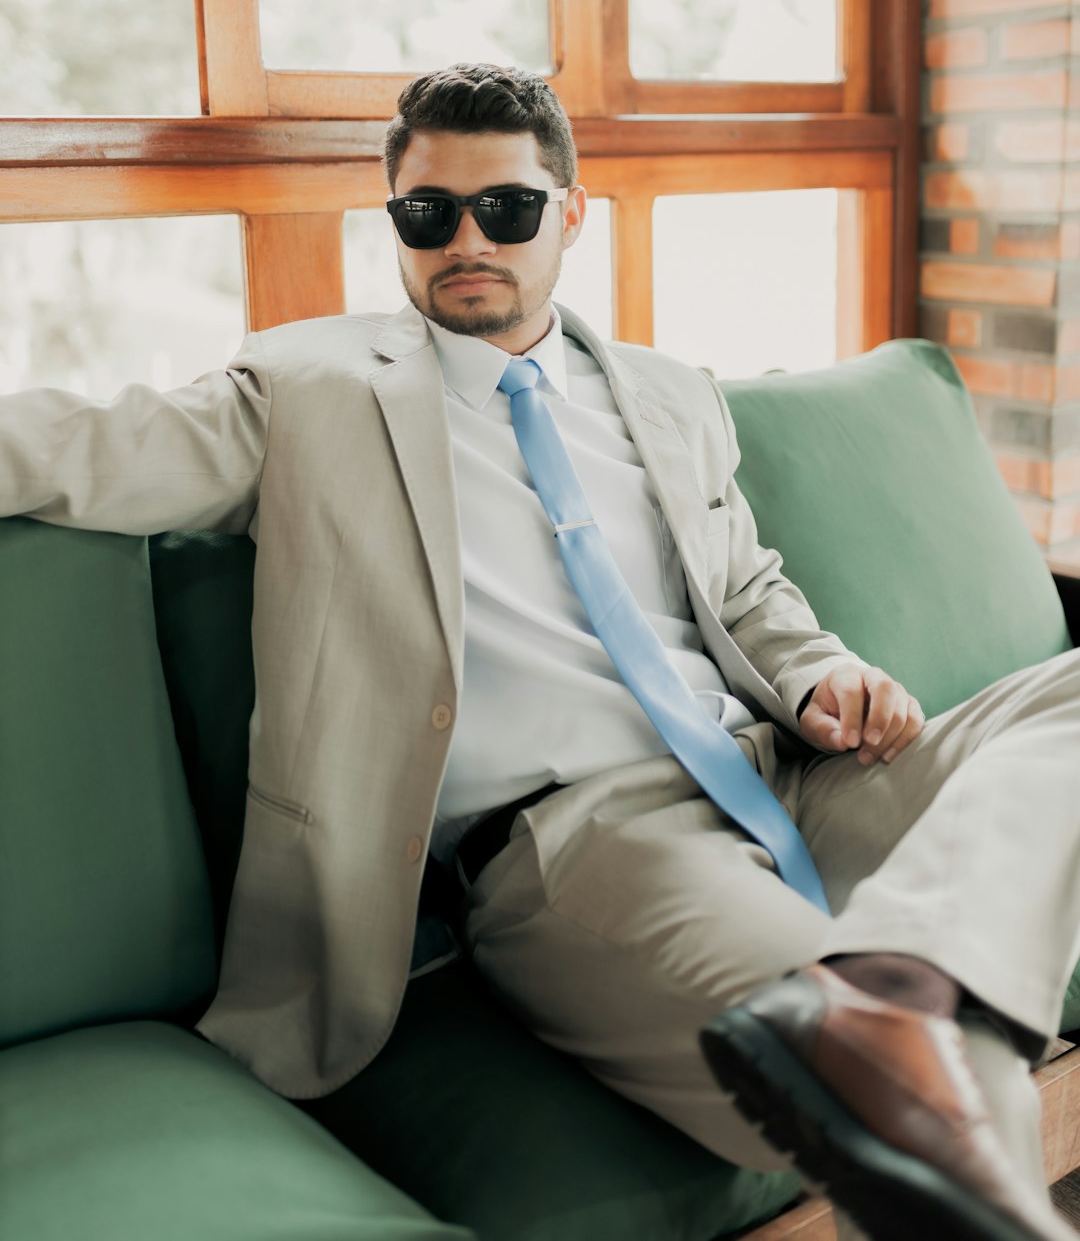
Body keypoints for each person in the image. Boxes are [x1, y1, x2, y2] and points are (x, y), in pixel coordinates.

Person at [4, 62, 1079, 1241]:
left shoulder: (669, 396)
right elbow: (81, 444)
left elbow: (745, 589)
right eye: (430, 213)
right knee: (854, 1050)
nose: (467, 240)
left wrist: (819, 673)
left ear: (570, 213)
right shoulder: (308, 392)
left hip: (790, 777)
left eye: (507, 207)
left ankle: (923, 965)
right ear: (396, 223)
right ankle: (907, 1021)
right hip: (580, 844)